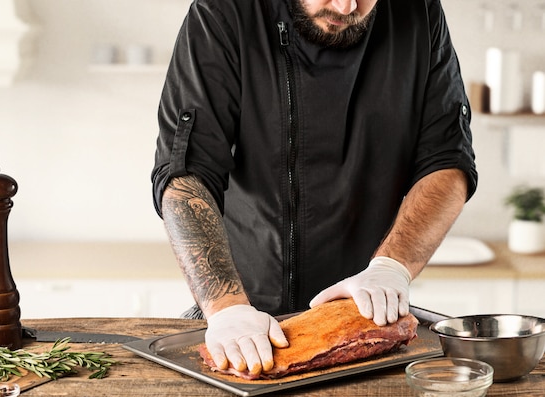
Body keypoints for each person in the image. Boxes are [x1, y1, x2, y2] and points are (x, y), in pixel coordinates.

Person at [151, 0, 477, 377]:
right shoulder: (224, 12)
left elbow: (447, 160)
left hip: (361, 319)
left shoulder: (419, 12)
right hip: (239, 317)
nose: (346, 5)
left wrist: (392, 268)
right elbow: (185, 173)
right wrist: (226, 308)